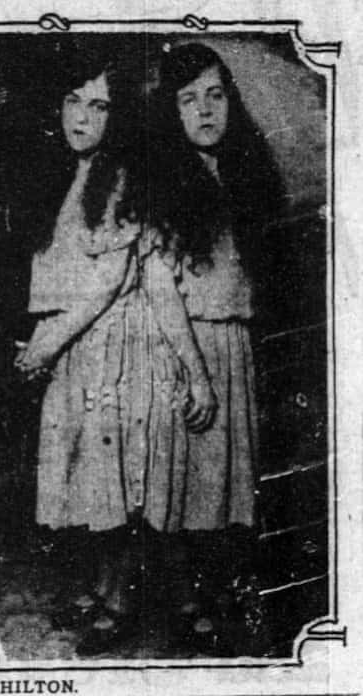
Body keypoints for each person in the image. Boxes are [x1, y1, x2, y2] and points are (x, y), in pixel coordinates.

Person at [13, 57, 216, 655]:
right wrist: (45, 339)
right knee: (91, 478)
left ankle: (125, 602)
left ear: (118, 115)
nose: (82, 116)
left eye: (98, 106)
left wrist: (48, 343)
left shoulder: (124, 174)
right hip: (78, 346)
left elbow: (112, 281)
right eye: (74, 101)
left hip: (118, 343)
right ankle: (106, 588)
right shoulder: (69, 175)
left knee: (123, 479)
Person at [152, 42, 284, 649]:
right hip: (190, 348)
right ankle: (186, 607)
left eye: (215, 95)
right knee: (189, 491)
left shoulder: (243, 174)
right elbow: (162, 291)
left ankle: (229, 600)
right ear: (170, 113)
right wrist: (195, 374)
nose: (205, 110)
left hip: (235, 343)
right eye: (188, 99)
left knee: (232, 488)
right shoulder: (162, 186)